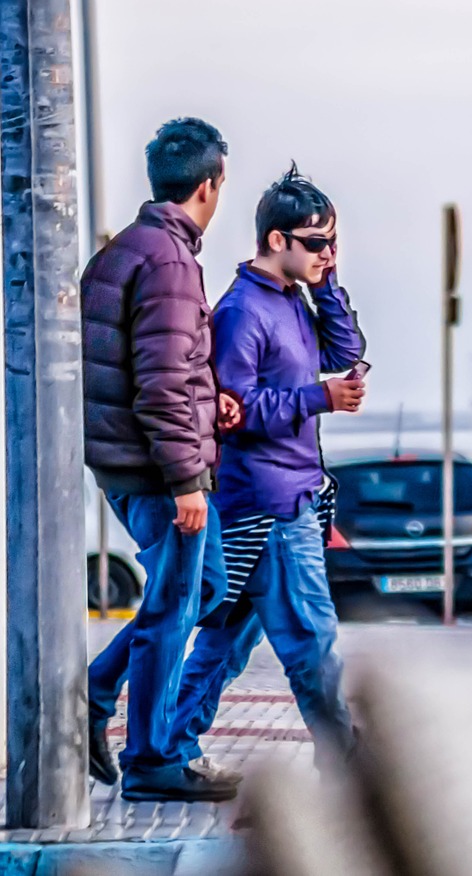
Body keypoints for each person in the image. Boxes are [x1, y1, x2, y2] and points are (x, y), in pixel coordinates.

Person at [167, 165, 366, 776]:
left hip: (285, 498)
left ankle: (167, 751)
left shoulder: (292, 301)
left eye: (332, 242)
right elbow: (232, 409)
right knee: (312, 642)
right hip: (270, 506)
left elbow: (345, 351)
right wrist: (319, 399)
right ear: (276, 240)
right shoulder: (242, 312)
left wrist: (327, 285)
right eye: (315, 243)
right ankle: (348, 768)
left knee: (225, 644)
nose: (326, 254)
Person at [82, 118, 242, 802]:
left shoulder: (128, 250)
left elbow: (163, 368)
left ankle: (93, 691)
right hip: (156, 471)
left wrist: (216, 400)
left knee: (202, 590)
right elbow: (159, 381)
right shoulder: (171, 263)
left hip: (128, 459)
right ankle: (149, 761)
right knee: (179, 601)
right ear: (210, 185)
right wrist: (185, 479)